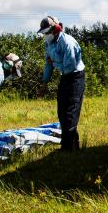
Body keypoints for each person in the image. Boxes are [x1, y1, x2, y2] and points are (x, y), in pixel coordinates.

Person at [39, 15, 86, 151]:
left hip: (75, 77)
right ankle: (72, 145)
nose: (45, 35)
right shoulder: (49, 43)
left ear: (56, 29)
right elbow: (47, 65)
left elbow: (69, 67)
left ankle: (68, 148)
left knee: (71, 111)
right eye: (44, 33)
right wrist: (44, 83)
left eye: (46, 32)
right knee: (62, 111)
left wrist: (53, 62)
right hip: (64, 77)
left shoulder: (68, 43)